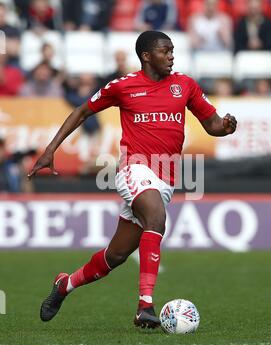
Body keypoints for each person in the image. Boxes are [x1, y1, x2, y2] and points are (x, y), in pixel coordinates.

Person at [28, 31, 237, 329]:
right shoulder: (123, 86)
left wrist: (226, 127)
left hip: (165, 178)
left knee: (116, 255)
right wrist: (50, 150)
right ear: (147, 56)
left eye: (173, 51)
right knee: (156, 218)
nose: (171, 56)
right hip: (133, 170)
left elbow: (212, 125)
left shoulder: (185, 85)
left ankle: (65, 284)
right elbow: (82, 111)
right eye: (165, 51)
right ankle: (145, 307)